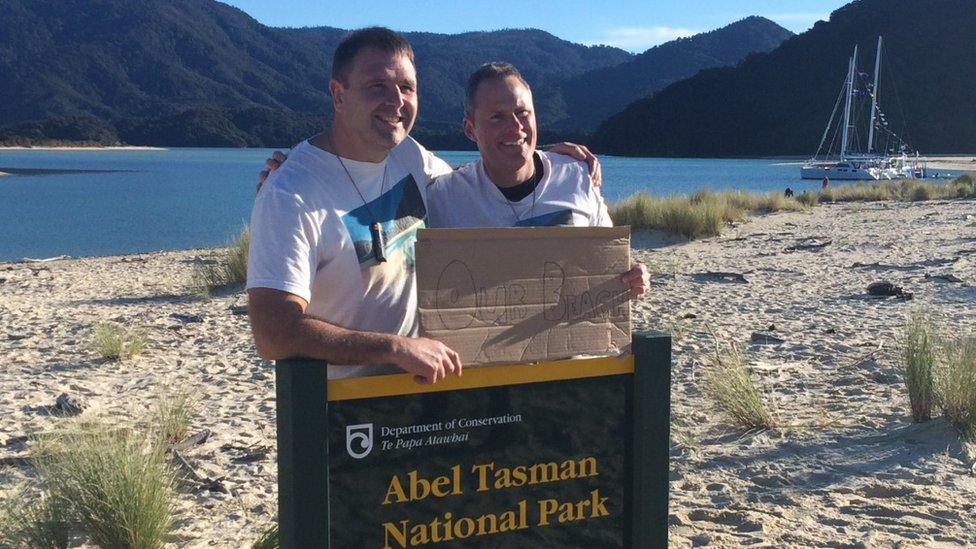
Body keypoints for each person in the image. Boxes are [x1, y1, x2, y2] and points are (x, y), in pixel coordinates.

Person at [248, 27, 603, 384]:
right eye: (378, 87)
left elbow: (481, 179)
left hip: (421, 393)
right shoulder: (290, 193)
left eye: (406, 88)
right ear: (338, 95)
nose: (396, 101)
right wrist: (393, 347)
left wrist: (543, 157)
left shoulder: (409, 156)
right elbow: (273, 332)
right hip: (344, 409)